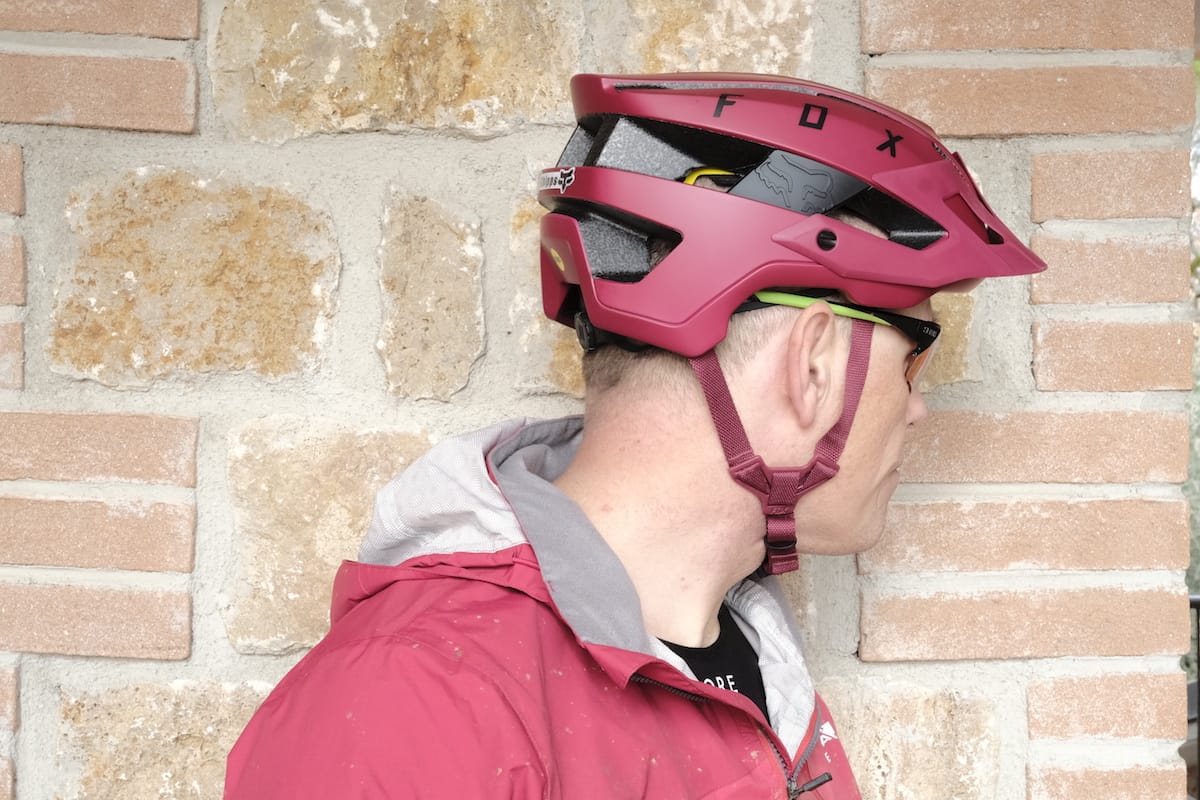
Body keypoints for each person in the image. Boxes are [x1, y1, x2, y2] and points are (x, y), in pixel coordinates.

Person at [224, 72, 1045, 799]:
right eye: (914, 360)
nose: (916, 409)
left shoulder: (749, 662)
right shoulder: (419, 698)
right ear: (813, 363)